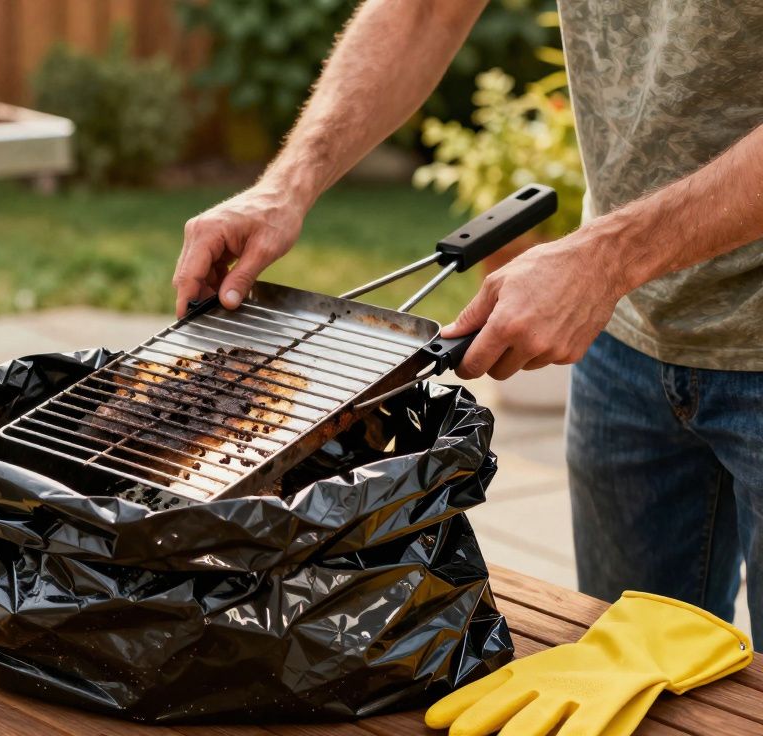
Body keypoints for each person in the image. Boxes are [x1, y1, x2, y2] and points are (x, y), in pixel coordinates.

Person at [173, 0, 763, 646]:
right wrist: (286, 184)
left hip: (664, 299)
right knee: (621, 669)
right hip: (627, 338)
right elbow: (425, 10)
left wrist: (609, 257)